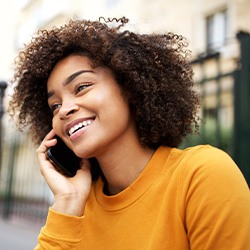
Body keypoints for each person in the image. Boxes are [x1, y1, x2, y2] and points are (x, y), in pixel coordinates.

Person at [9, 17, 250, 249]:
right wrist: (68, 203)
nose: (64, 110)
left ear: (130, 87)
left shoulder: (202, 176)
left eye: (81, 87)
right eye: (55, 105)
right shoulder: (75, 209)